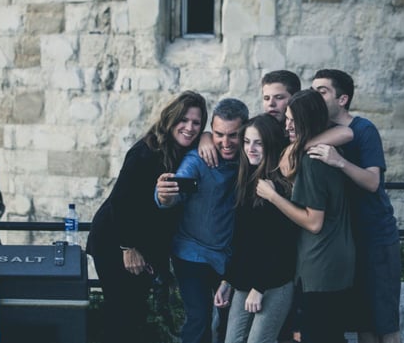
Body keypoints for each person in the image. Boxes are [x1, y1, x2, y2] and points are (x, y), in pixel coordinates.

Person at [86, 91, 208, 343]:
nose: (190, 127)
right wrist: (128, 247)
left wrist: (206, 137)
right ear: (171, 120)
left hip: (144, 245)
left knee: (135, 315)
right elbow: (121, 201)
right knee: (122, 314)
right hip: (116, 242)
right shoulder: (145, 152)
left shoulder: (184, 151)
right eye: (184, 120)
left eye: (197, 123)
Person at [308, 69, 401, 343]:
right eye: (312, 90)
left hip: (376, 238)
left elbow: (373, 182)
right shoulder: (321, 132)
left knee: (386, 325)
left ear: (342, 98)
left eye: (322, 91)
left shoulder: (364, 129)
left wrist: (340, 162)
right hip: (346, 244)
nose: (315, 95)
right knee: (363, 323)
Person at [256, 89, 355, 343]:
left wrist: (272, 196)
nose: (287, 126)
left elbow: (314, 222)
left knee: (318, 335)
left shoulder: (313, 161)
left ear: (308, 121)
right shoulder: (323, 151)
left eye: (293, 121)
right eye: (287, 119)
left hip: (321, 263)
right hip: (333, 260)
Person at [155, 98, 249, 343]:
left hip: (230, 257)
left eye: (233, 135)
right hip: (192, 252)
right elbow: (178, 186)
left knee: (230, 322)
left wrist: (207, 135)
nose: (225, 143)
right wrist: (164, 196)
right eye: (218, 134)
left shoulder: (250, 158)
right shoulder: (198, 159)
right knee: (199, 319)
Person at [213, 114, 297, 343]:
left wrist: (259, 288)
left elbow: (282, 244)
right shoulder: (245, 180)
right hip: (245, 280)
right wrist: (226, 281)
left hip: (275, 280)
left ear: (270, 144)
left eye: (258, 143)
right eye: (247, 142)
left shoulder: (277, 185)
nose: (250, 148)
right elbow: (242, 240)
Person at [198, 70, 301, 168]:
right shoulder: (257, 127)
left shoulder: (304, 133)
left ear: (295, 97)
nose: (271, 103)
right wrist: (205, 137)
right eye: (266, 98)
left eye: (279, 97)